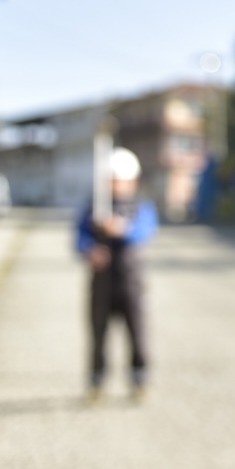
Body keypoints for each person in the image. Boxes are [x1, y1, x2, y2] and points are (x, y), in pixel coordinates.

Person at [75, 147, 158, 403]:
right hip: (101, 284)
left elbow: (144, 230)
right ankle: (96, 384)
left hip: (131, 283)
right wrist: (89, 250)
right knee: (98, 335)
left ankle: (139, 380)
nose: (115, 185)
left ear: (131, 181)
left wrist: (121, 228)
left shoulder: (140, 208)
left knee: (138, 335)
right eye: (110, 180)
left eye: (119, 180)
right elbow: (78, 238)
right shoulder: (91, 210)